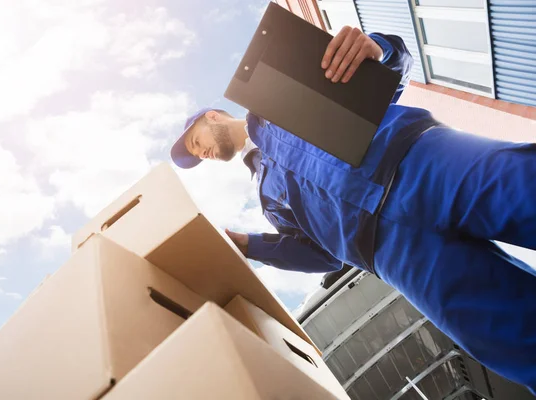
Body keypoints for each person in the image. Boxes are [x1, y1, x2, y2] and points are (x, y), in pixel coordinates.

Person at [170, 26, 536, 394]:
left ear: (212, 117)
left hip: (420, 164)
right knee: (509, 335)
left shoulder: (277, 95)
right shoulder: (266, 198)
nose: (199, 152)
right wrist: (251, 246)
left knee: (526, 191)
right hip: (389, 252)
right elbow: (323, 258)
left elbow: (391, 72)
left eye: (194, 141)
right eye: (196, 154)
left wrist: (378, 48)